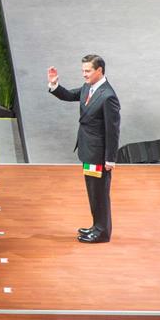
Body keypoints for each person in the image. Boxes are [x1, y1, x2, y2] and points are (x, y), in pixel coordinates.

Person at [47, 55, 121, 243]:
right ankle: (97, 226)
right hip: (89, 151)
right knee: (93, 190)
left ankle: (102, 232)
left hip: (98, 155)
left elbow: (112, 130)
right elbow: (71, 95)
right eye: (83, 71)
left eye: (87, 71)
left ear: (99, 71)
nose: (84, 74)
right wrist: (55, 85)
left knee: (100, 192)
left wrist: (110, 159)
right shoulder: (89, 87)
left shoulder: (108, 96)